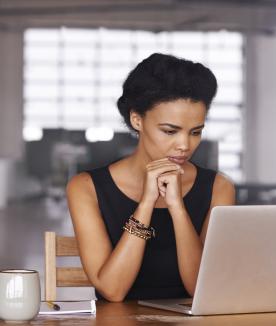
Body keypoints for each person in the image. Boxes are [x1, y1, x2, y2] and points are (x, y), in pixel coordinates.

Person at [66, 53, 235, 302]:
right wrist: (146, 203)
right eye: (169, 131)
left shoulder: (219, 187)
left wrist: (177, 207)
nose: (184, 145)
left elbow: (200, 289)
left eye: (196, 132)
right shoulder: (86, 188)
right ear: (137, 120)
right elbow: (113, 290)